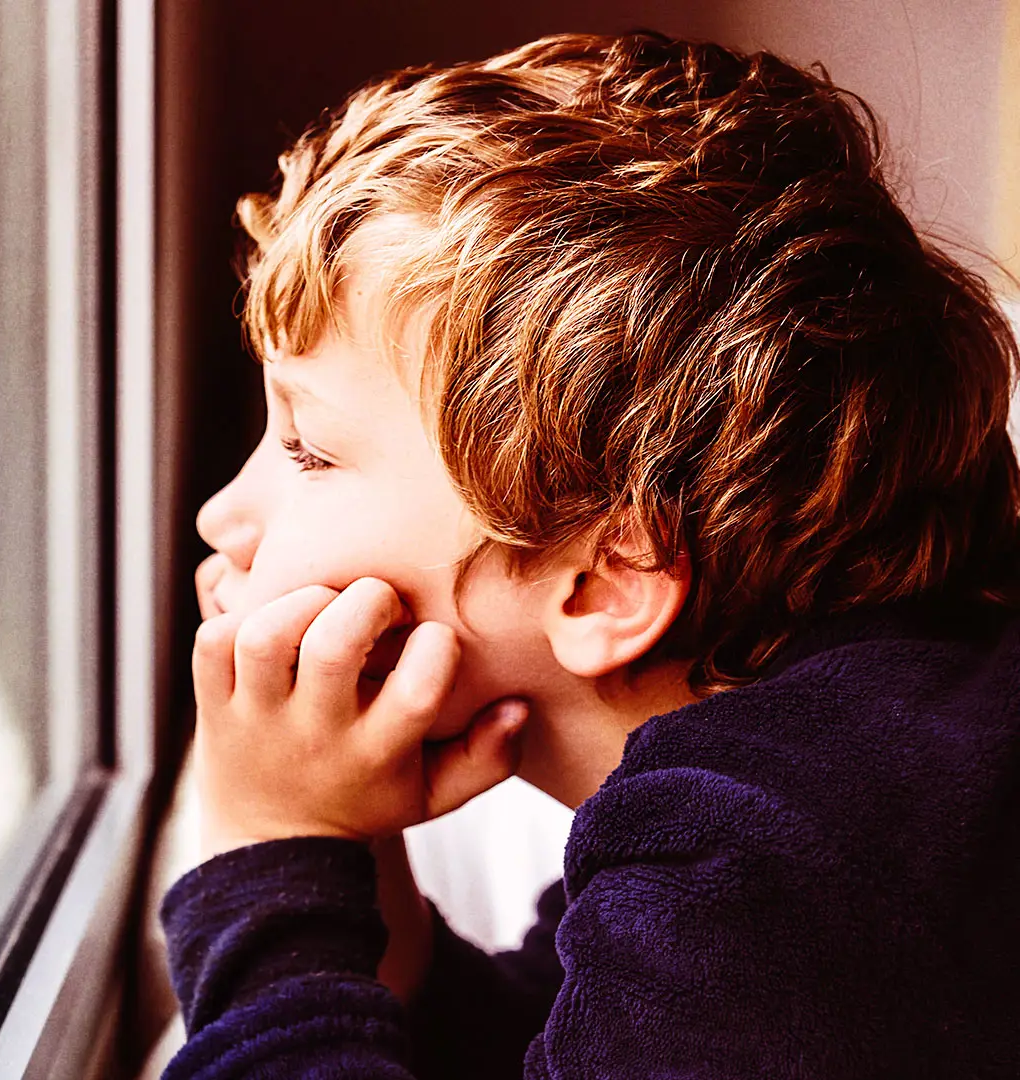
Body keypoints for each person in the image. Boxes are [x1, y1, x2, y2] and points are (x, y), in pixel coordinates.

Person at [166, 31, 1020, 1079]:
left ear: (610, 581)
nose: (224, 516)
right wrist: (343, 861)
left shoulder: (765, 879)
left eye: (308, 448)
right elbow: (569, 1045)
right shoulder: (831, 776)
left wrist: (267, 850)